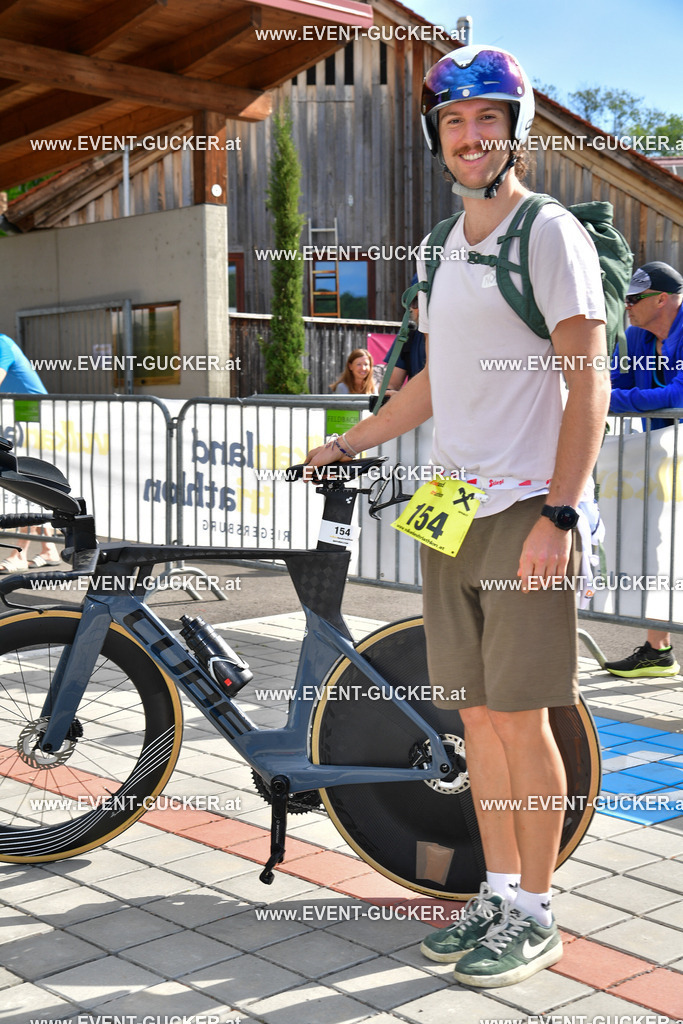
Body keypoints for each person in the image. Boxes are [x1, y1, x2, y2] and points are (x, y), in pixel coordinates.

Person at [306, 44, 609, 988]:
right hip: (453, 509)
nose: (470, 138)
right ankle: (497, 891)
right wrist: (351, 441)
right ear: (436, 137)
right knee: (476, 721)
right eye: (453, 123)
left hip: (526, 510)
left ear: (514, 130)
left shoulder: (546, 232)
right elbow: (438, 379)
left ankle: (535, 911)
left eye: (486, 120)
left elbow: (585, 375)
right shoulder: (442, 246)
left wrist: (559, 516)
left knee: (525, 722)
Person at [603, 262, 683, 678]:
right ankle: (658, 648)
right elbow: (612, 382)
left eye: (633, 299)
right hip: (663, 458)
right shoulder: (635, 335)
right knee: (658, 546)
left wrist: (615, 400)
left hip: (673, 455)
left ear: (663, 300)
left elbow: (679, 394)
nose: (626, 306)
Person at [0, 333, 61, 571]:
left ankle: (19, 554)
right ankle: (49, 549)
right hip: (20, 417)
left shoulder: (1, 343)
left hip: (32, 417)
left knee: (23, 480)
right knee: (25, 480)